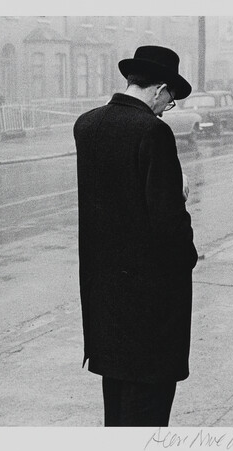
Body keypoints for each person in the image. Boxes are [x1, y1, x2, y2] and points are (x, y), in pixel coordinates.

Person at [73, 45, 198, 427]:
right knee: (148, 415)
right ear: (159, 89)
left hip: (105, 301)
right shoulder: (152, 131)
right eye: (169, 101)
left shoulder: (87, 124)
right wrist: (180, 200)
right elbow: (167, 224)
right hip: (150, 309)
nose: (165, 109)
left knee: (118, 411)